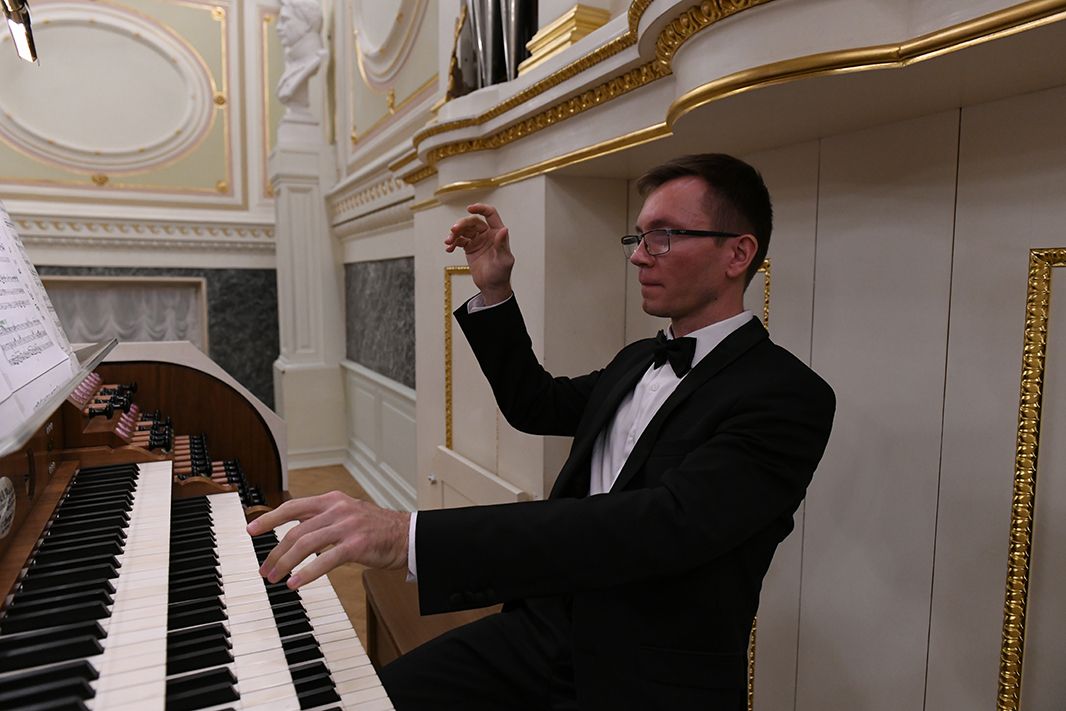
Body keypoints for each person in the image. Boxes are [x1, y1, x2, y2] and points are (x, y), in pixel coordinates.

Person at [249, 153, 836, 710]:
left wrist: (409, 535)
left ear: (737, 253)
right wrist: (495, 291)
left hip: (648, 670)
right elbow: (536, 404)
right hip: (544, 628)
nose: (638, 256)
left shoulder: (787, 395)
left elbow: (656, 525)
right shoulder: (639, 359)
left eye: (663, 236)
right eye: (637, 237)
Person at [276, 0, 328, 112]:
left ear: (308, 25)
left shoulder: (316, 60)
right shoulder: (294, 63)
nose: (278, 28)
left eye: (284, 20)